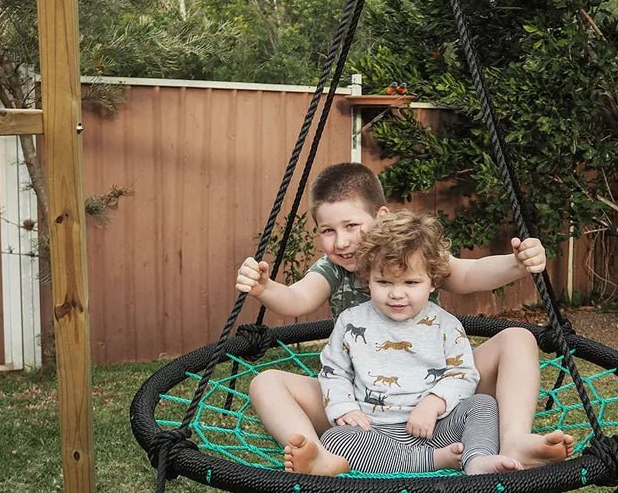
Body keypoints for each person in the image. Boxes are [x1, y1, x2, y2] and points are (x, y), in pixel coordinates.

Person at [236, 162, 573, 475]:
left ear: (381, 216)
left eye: (352, 225)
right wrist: (265, 288)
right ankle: (318, 453)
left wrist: (516, 264)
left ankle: (514, 438)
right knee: (265, 382)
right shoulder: (334, 270)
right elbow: (297, 298)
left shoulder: (419, 255)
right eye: (328, 230)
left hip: (438, 391)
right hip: (365, 401)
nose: (342, 241)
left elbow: (469, 274)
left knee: (519, 338)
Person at [312, 209, 520, 475]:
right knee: (335, 439)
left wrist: (434, 403)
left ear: (433, 281)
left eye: (411, 282)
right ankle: (431, 460)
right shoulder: (351, 322)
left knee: (483, 405)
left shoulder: (445, 325)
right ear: (367, 280)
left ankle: (477, 458)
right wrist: (345, 408)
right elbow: (334, 371)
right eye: (384, 282)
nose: (397, 293)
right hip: (374, 433)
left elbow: (463, 374)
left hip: (437, 426)